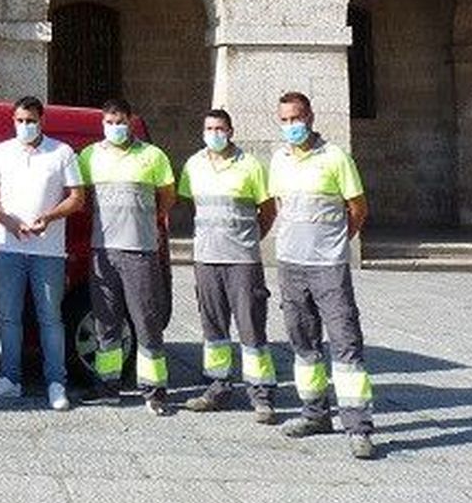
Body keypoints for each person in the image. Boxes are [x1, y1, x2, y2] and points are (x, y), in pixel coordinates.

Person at [268, 90, 377, 459]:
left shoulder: (335, 157)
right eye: (284, 120)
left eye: (296, 118)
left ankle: (358, 426)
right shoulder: (278, 160)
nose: (291, 126)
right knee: (302, 342)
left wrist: (337, 241)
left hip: (328, 266)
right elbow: (280, 206)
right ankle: (314, 412)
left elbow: (357, 208)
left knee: (345, 341)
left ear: (311, 117)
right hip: (290, 264)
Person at [0, 96, 85, 411]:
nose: (25, 126)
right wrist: (3, 218)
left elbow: (77, 197)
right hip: (7, 248)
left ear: (42, 120)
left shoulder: (61, 152)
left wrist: (49, 217)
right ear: (13, 121)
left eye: (30, 120)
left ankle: (56, 383)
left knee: (50, 318)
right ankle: (9, 380)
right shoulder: (1, 152)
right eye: (20, 120)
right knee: (8, 317)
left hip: (48, 251)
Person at [177, 108, 278, 422]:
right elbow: (191, 203)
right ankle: (217, 388)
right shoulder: (194, 165)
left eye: (220, 128)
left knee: (251, 326)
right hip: (206, 258)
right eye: (209, 128)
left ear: (231, 131)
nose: (214, 133)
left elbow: (267, 211)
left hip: (242, 260)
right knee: (213, 329)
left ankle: (261, 395)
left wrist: (248, 240)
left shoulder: (250, 165)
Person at [79, 97, 176, 415]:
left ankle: (155, 390)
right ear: (102, 124)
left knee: (146, 321)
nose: (115, 127)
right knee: (106, 322)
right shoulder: (90, 156)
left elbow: (167, 197)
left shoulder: (152, 155)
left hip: (140, 252)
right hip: (103, 252)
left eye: (120, 121)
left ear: (130, 121)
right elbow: (81, 195)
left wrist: (149, 224)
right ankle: (108, 386)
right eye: (109, 122)